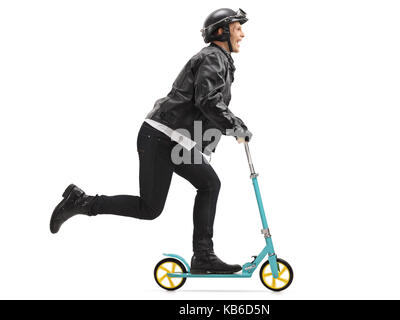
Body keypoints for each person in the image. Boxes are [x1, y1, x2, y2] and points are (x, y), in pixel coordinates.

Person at [49, 8, 252, 274]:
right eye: (238, 28)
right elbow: (208, 101)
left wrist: (232, 126)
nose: (243, 34)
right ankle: (81, 202)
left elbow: (205, 105)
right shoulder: (213, 57)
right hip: (160, 136)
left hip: (179, 141)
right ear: (222, 31)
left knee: (209, 183)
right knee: (150, 208)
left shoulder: (219, 60)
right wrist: (234, 126)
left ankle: (203, 256)